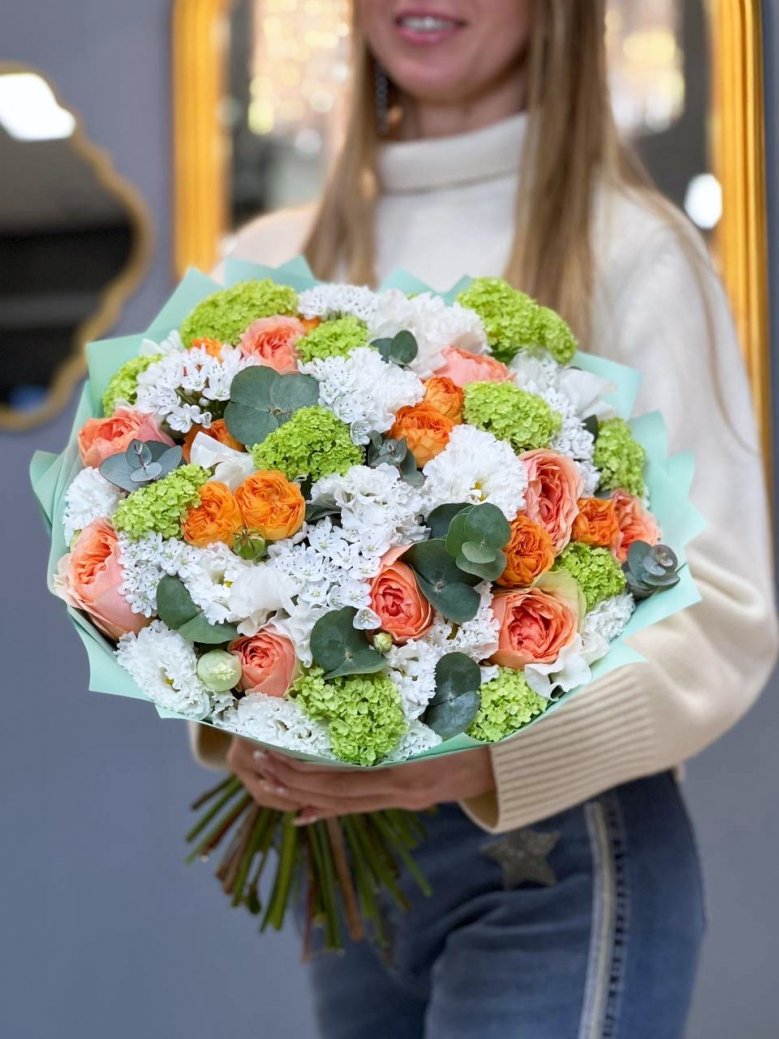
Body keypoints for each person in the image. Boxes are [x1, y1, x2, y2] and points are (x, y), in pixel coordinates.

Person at [191, 2, 778, 1035]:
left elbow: (721, 612)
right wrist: (247, 706)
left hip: (554, 855)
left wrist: (493, 757)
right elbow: (186, 540)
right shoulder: (267, 258)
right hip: (347, 861)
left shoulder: (630, 250)